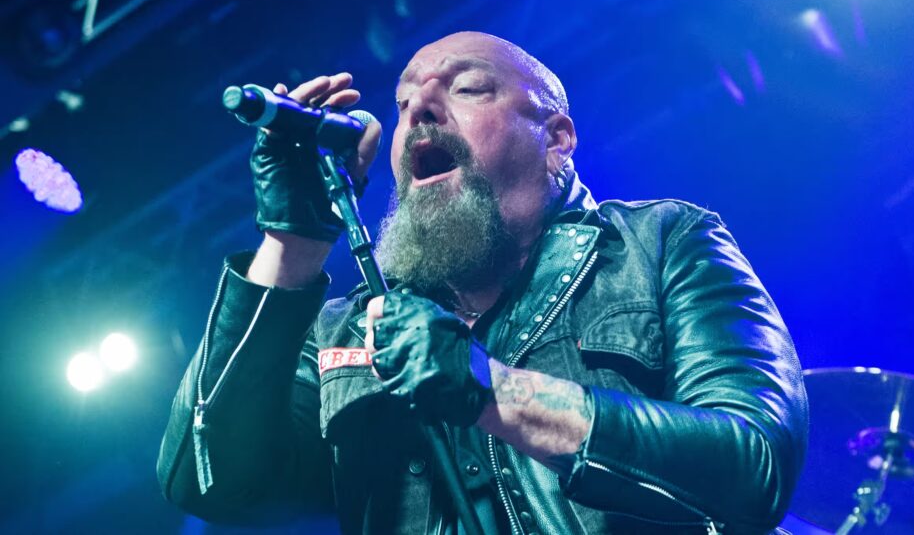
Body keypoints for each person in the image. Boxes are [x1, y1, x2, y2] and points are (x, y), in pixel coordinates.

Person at [157, 31, 808, 534]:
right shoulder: (344, 331)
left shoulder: (661, 243)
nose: (420, 110)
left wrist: (492, 391)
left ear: (555, 139)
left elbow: (755, 466)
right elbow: (206, 480)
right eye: (404, 100)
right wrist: (292, 240)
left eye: (466, 89)